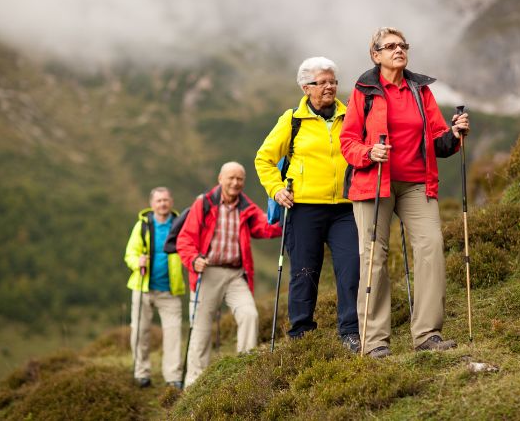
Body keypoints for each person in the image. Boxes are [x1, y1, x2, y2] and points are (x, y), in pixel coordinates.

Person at [340, 27, 470, 358]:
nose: (399, 50)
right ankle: (374, 343)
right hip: (374, 182)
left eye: (403, 46)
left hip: (416, 182)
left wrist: (454, 133)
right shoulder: (364, 91)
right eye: (391, 46)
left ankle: (427, 335)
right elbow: (348, 141)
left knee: (431, 247)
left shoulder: (419, 89)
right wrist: (370, 153)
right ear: (376, 54)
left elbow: (439, 139)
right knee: (375, 259)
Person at [255, 57, 361, 352]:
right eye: (322, 82)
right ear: (306, 88)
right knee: (304, 272)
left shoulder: (350, 114)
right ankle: (301, 333)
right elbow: (263, 159)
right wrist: (276, 189)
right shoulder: (292, 120)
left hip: (345, 207)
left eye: (333, 82)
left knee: (351, 267)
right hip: (303, 208)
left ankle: (350, 331)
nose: (329, 87)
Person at [176, 161, 282, 387]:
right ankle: (193, 385)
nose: (235, 183)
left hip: (236, 274)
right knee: (201, 330)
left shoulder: (246, 207)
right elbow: (185, 239)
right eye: (231, 178)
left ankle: (246, 372)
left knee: (249, 315)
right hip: (209, 272)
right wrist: (194, 260)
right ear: (220, 179)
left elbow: (265, 227)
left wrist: (287, 219)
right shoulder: (203, 204)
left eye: (240, 179)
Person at [124, 187, 185, 388]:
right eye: (159, 201)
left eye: (166, 200)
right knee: (140, 332)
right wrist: (137, 262)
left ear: (171, 202)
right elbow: (129, 254)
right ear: (152, 204)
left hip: (170, 290)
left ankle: (173, 378)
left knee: (173, 334)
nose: (163, 204)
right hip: (143, 288)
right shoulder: (142, 226)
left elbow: (189, 246)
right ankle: (142, 373)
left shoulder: (180, 225)